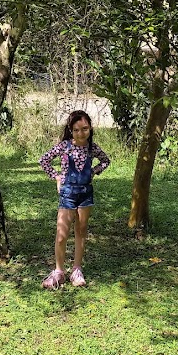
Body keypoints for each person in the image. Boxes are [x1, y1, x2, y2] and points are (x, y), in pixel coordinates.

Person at [39, 110, 110, 289]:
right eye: (77, 129)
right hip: (68, 194)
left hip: (86, 194)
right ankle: (59, 272)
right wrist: (56, 177)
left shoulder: (92, 147)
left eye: (85, 129)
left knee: (81, 231)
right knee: (62, 235)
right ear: (71, 130)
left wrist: (93, 172)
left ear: (90, 128)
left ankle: (76, 270)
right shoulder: (64, 146)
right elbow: (44, 160)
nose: (81, 133)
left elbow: (105, 161)